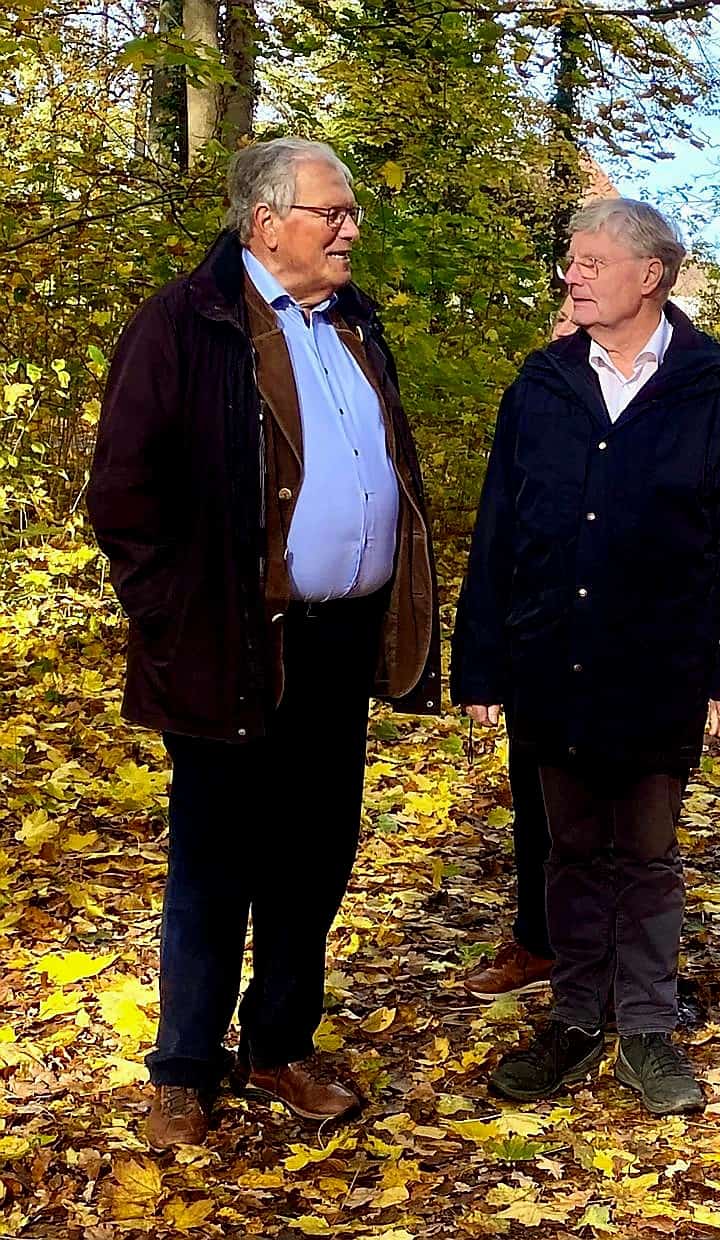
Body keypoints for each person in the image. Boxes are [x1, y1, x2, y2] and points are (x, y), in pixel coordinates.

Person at [87, 138, 441, 1150]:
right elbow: (123, 497)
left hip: (339, 642)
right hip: (228, 641)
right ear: (265, 223)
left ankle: (278, 1044)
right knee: (214, 860)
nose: (350, 231)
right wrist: (171, 617)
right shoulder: (183, 324)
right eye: (331, 213)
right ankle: (183, 1069)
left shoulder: (355, 325)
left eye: (350, 214)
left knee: (315, 854)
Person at [452, 198, 720, 1115]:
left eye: (593, 261)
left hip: (659, 667)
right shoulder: (543, 384)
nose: (573, 274)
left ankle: (644, 1026)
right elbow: (497, 533)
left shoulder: (712, 390)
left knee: (643, 853)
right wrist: (479, 666)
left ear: (652, 274)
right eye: (572, 259)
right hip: (552, 660)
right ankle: (572, 1018)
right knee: (567, 850)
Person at [458, 294, 579, 1003]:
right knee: (536, 803)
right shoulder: (532, 398)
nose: (564, 322)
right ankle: (538, 941)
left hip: (628, 652)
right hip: (538, 638)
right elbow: (495, 535)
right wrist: (482, 662)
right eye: (559, 311)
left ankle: (621, 967)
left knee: (623, 823)